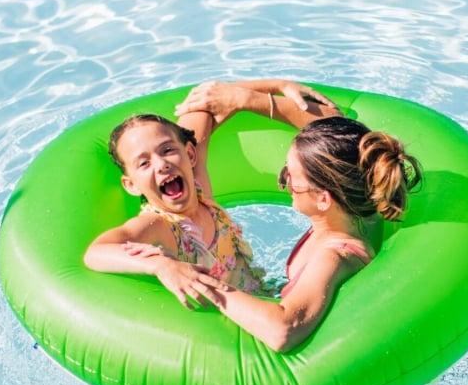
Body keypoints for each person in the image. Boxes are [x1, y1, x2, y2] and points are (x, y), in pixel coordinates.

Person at [167, 78, 423, 352]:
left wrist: (204, 284)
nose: (283, 181)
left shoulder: (335, 256)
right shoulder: (362, 205)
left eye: (290, 175)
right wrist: (255, 95)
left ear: (324, 198)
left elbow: (283, 330)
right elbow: (341, 131)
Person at [83, 80, 339, 308]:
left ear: (190, 154)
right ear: (131, 185)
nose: (161, 164)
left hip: (262, 295)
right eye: (144, 163)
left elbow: (204, 100)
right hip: (231, 321)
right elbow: (96, 252)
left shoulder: (198, 187)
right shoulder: (157, 225)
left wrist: (277, 85)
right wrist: (161, 265)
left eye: (167, 150)